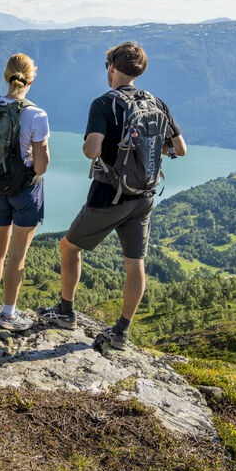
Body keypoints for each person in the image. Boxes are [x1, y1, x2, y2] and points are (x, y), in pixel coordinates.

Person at [37, 41, 187, 350]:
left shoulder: (105, 103)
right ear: (139, 70)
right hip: (144, 195)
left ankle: (66, 311)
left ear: (112, 68)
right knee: (135, 263)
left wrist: (94, 147)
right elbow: (180, 149)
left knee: (69, 248)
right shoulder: (156, 102)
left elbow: (92, 149)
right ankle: (121, 331)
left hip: (109, 194)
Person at [0, 53, 50, 332]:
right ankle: (8, 315)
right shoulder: (35, 114)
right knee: (17, 255)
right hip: (25, 191)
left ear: (5, 77)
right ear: (31, 78)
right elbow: (41, 167)